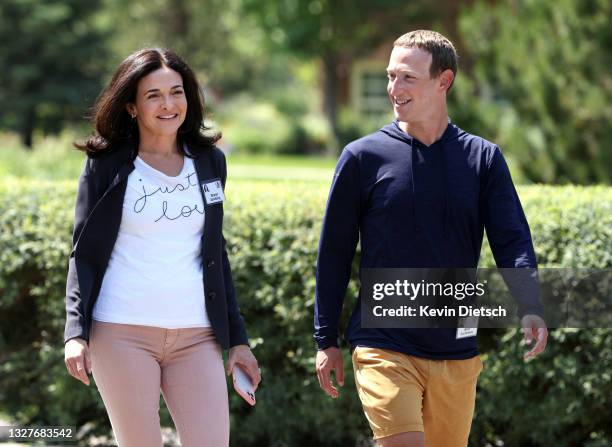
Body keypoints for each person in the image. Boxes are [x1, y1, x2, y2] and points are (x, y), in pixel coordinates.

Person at [314, 30, 548, 447]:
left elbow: (511, 237)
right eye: (390, 76)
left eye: (407, 78)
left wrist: (529, 301)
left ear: (444, 81)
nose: (394, 89)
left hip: (456, 349)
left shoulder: (483, 159)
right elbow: (334, 252)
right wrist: (325, 338)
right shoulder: (362, 158)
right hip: (382, 343)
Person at [63, 48, 261, 447]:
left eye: (177, 92)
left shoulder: (209, 162)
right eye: (153, 95)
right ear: (132, 107)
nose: (168, 104)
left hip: (197, 335)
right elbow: (83, 252)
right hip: (121, 332)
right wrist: (75, 331)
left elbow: (214, 255)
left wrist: (238, 340)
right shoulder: (108, 163)